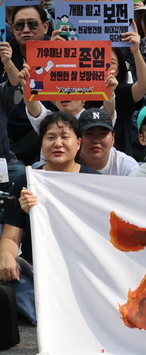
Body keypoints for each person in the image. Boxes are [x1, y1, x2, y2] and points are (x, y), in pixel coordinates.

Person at [1, 112, 98, 323]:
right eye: (51, 137)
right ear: (42, 143)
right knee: (12, 287)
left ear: (79, 143)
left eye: (65, 137)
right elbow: (10, 238)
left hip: (82, 273)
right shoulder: (24, 182)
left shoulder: (96, 183)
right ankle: (61, 316)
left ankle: (54, 316)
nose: (58, 143)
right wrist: (7, 257)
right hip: (36, 273)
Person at [77, 107, 138, 176]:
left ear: (112, 138)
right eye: (89, 134)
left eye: (102, 134)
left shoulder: (127, 166)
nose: (96, 140)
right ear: (78, 139)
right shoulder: (68, 163)